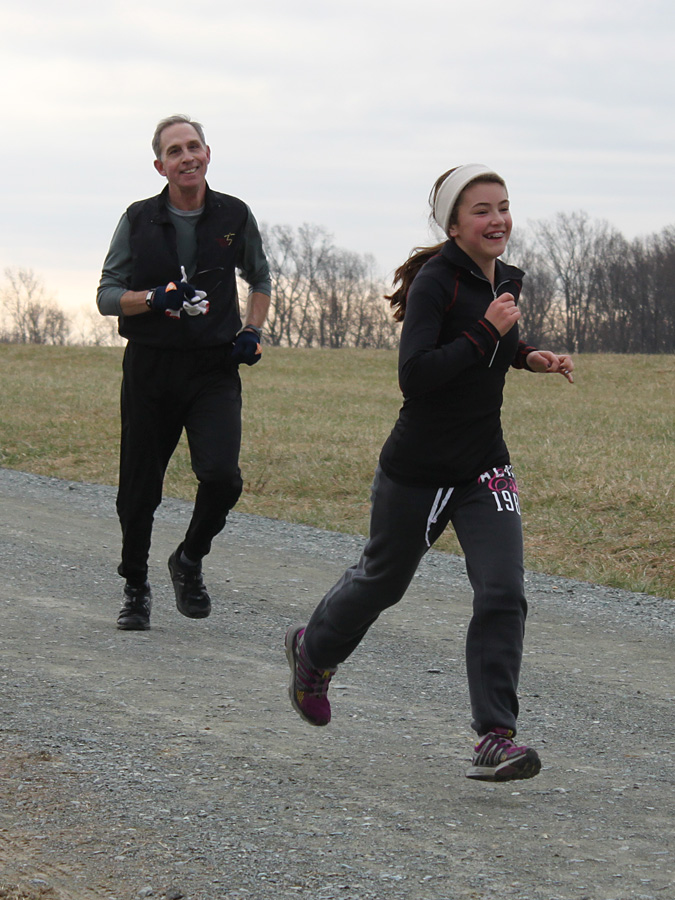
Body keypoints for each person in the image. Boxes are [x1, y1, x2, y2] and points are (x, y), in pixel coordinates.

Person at [285, 164, 574, 782]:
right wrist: (487, 332)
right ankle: (313, 651)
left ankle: (495, 736)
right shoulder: (436, 282)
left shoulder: (505, 279)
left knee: (502, 592)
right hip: (419, 468)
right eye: (481, 210)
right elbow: (415, 375)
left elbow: (492, 343)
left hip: (484, 465)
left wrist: (527, 355)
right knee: (383, 582)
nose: (497, 220)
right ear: (453, 224)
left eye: (503, 206)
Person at [97, 114, 271, 631]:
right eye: (174, 151)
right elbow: (107, 296)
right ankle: (135, 586)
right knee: (139, 490)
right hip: (151, 367)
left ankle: (189, 558)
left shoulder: (234, 214)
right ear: (160, 166)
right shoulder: (138, 219)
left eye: (193, 146)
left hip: (213, 367)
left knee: (222, 477)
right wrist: (153, 298)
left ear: (208, 154)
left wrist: (252, 330)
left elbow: (260, 279)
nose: (187, 157)